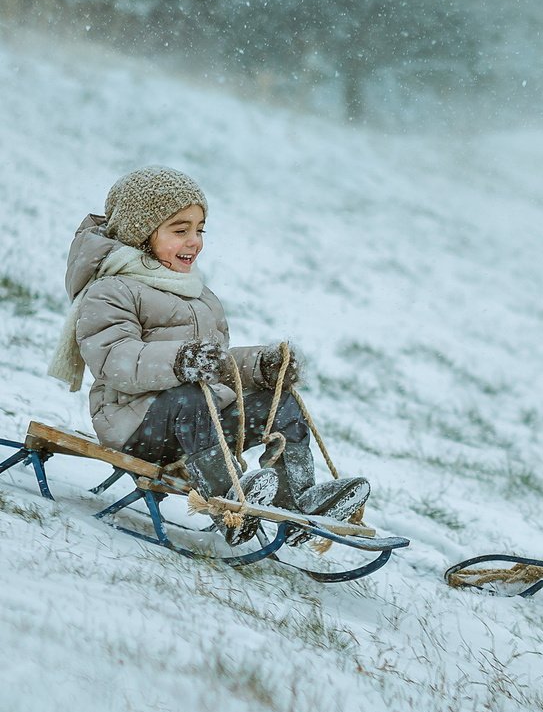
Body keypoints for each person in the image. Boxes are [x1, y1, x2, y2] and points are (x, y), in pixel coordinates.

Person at [48, 165, 370, 546]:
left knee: (278, 405)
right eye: (180, 230)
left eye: (199, 230)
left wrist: (259, 367)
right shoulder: (112, 290)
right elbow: (117, 360)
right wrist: (182, 360)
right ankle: (228, 504)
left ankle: (294, 501)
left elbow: (215, 365)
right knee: (189, 398)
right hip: (136, 427)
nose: (194, 241)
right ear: (141, 232)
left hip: (202, 425)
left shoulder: (200, 296)